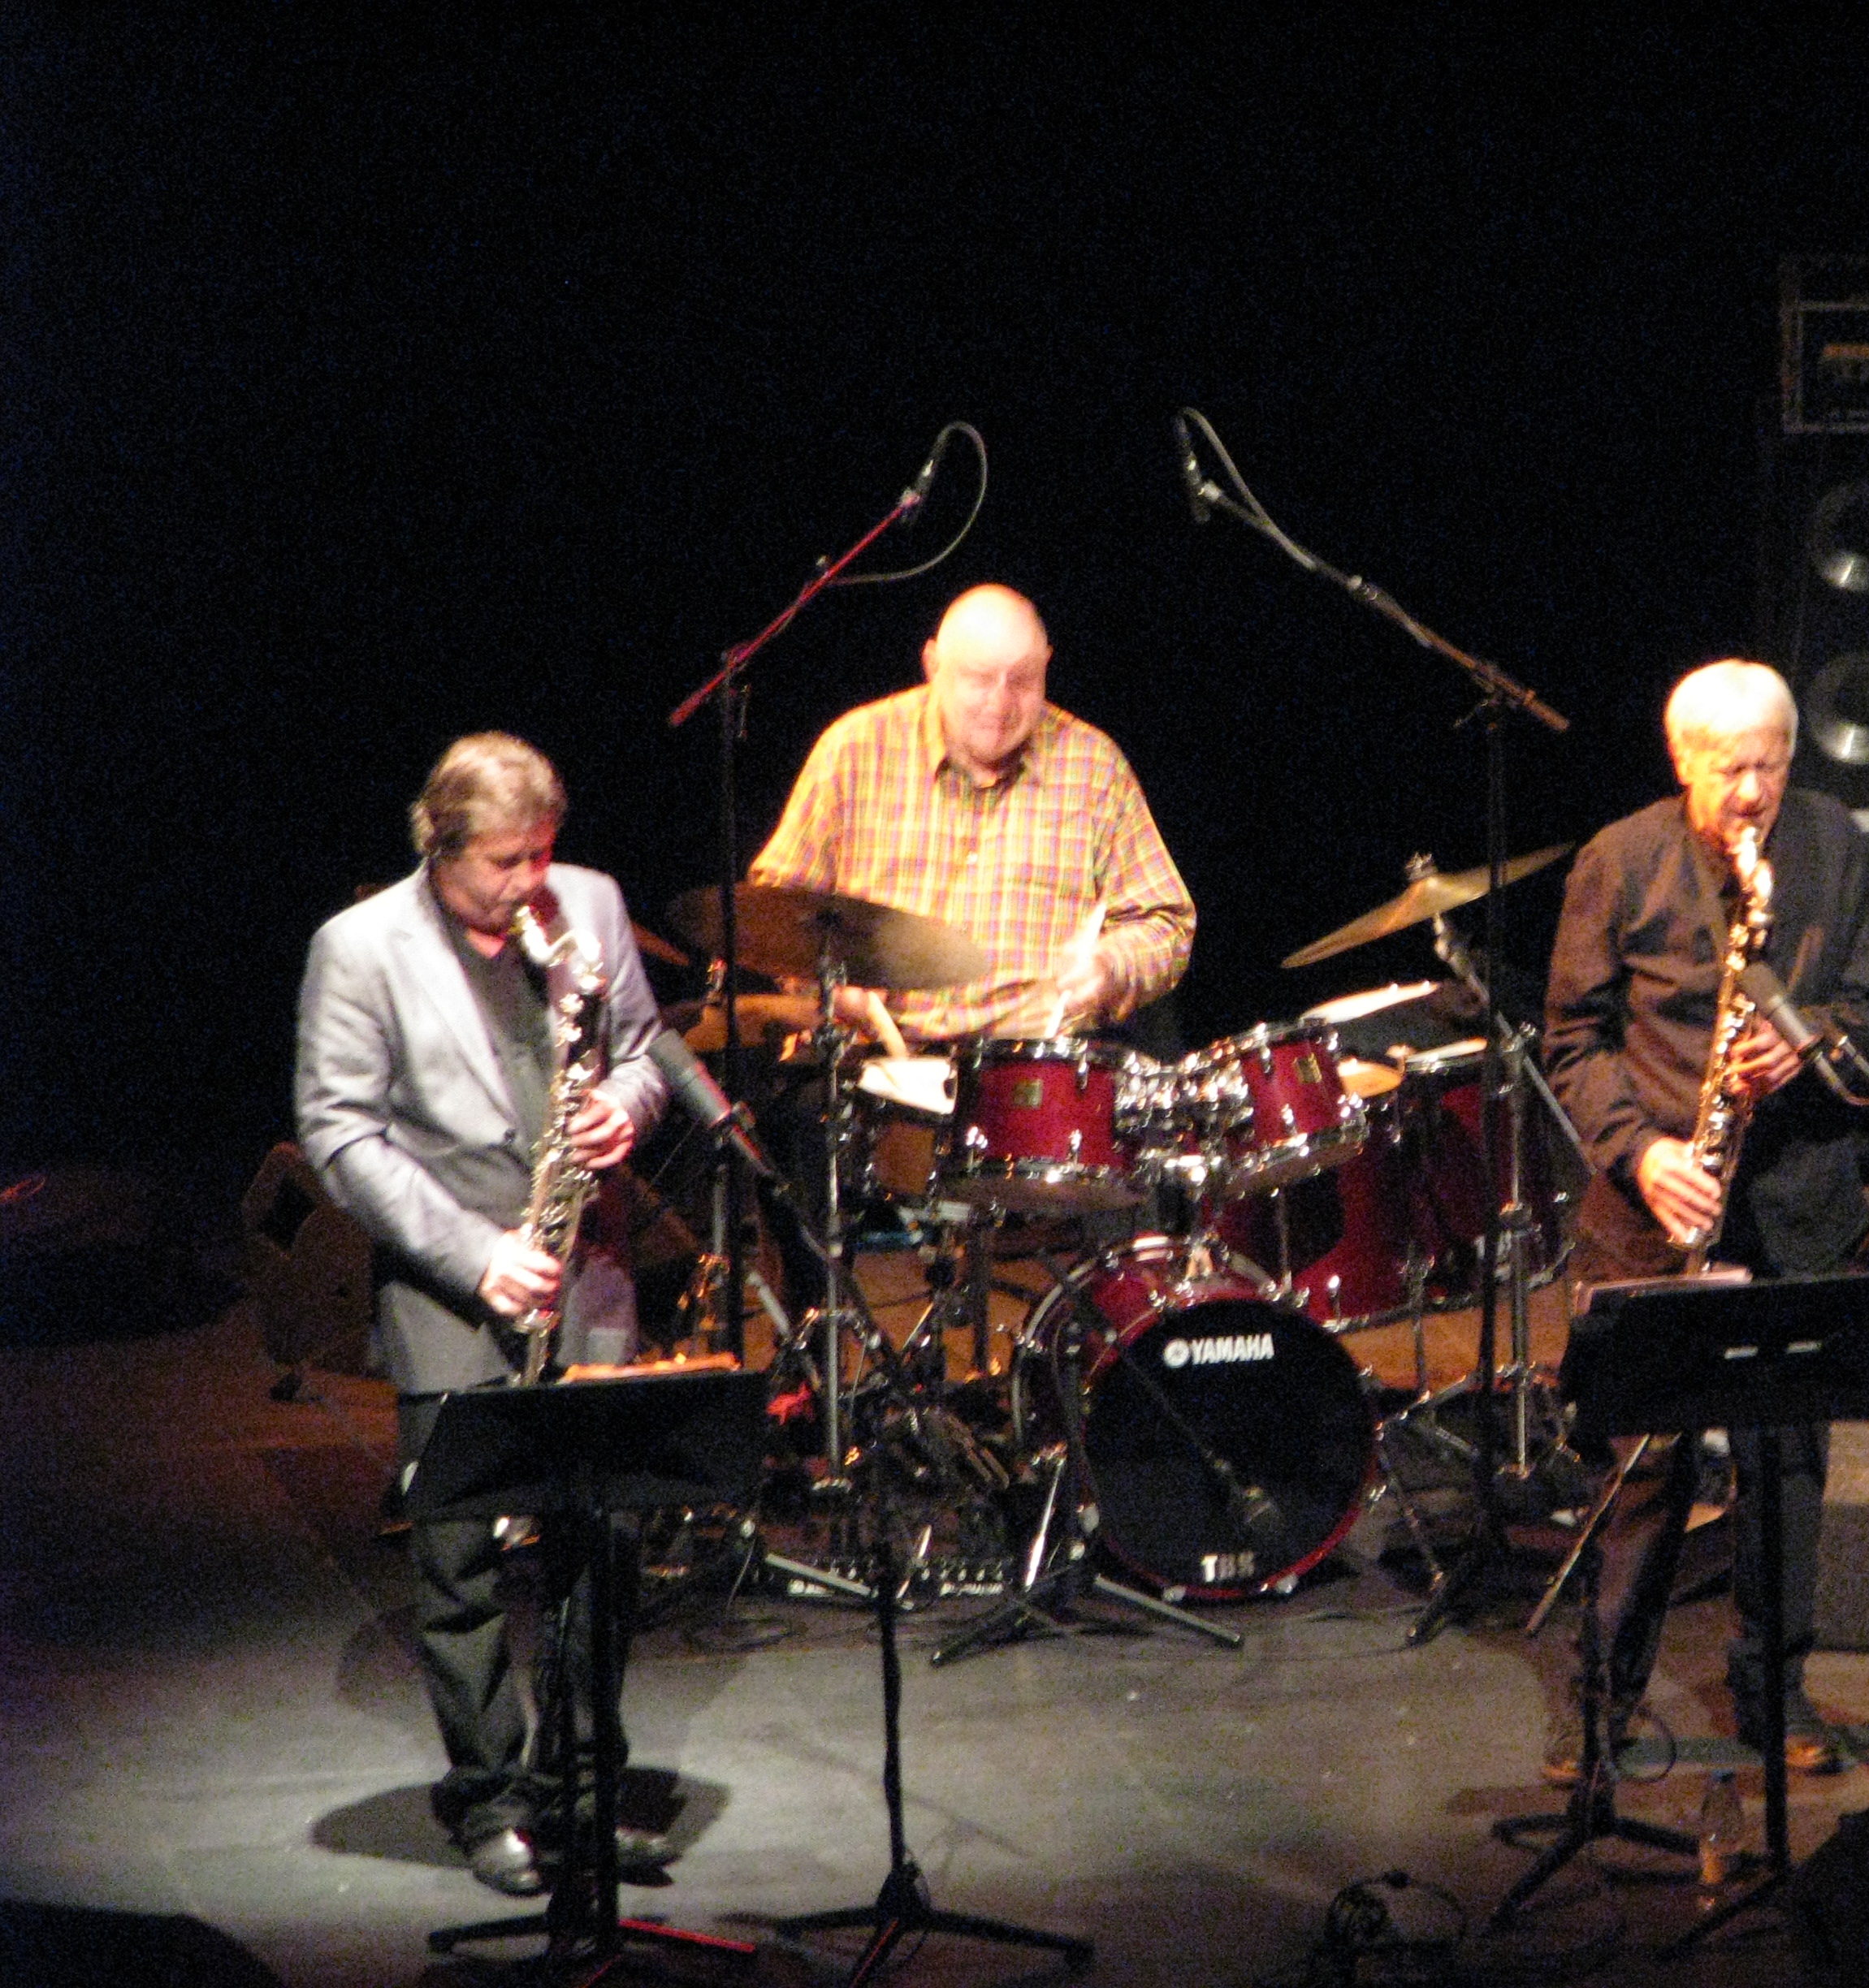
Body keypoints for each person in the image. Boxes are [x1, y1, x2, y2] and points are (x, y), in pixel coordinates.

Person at [295, 733, 668, 1898]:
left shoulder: (589, 905)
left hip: (586, 1269)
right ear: (438, 842)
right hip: (452, 1282)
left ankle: (585, 1790)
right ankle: (490, 1799)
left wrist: (624, 1105)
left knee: (602, 1546)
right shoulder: (359, 948)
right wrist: (475, 1256)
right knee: (459, 1567)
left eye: (542, 856)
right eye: (503, 862)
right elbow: (339, 1130)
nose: (528, 885)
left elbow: (651, 1051)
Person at [1542, 659, 1869, 1777]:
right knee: (1640, 1470)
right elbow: (1571, 1039)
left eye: (1773, 763)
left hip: (1795, 1201)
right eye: (1731, 767)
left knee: (1789, 1463)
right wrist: (1643, 1152)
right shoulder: (1620, 858)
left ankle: (1777, 1696)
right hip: (1656, 1201)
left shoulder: (1835, 844)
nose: (1754, 791)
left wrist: (1814, 1044)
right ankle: (1600, 1708)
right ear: (1682, 761)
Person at [750, 581, 1195, 1047]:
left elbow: (1166, 923)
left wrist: (1111, 966)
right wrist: (829, 985)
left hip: (1032, 1075)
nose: (1000, 704)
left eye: (1022, 680)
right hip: (874, 1063)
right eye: (980, 679)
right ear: (933, 666)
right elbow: (775, 910)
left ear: (1047, 665)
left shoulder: (1093, 767)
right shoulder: (855, 750)